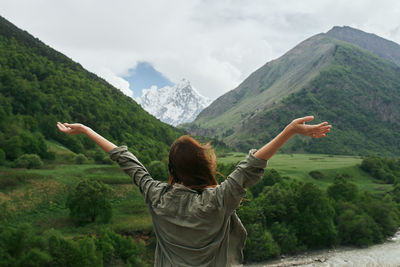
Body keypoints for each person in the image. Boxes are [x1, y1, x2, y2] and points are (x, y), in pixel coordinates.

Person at [57, 116, 331, 267]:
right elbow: (251, 166)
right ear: (203, 164)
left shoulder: (156, 196)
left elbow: (126, 159)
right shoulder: (217, 202)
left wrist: (86, 130)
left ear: (173, 168)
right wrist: (288, 132)